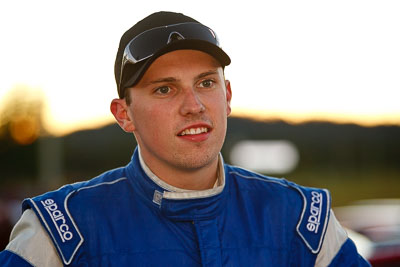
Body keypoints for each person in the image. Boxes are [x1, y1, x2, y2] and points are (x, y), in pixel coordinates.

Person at [0, 11, 370, 266]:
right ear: (123, 113)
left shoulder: (303, 219)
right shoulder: (63, 230)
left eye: (206, 83)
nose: (194, 106)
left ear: (226, 96)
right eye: (165, 89)